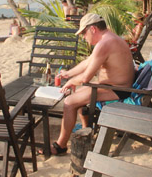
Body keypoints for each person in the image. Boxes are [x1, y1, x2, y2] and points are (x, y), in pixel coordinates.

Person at [50, 13, 135, 155]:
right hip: (115, 85)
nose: (84, 37)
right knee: (77, 96)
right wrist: (68, 74)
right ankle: (87, 131)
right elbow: (88, 62)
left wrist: (71, 81)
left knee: (70, 102)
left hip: (119, 90)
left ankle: (61, 145)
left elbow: (86, 78)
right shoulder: (109, 38)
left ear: (93, 29)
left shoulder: (104, 44)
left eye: (84, 33)